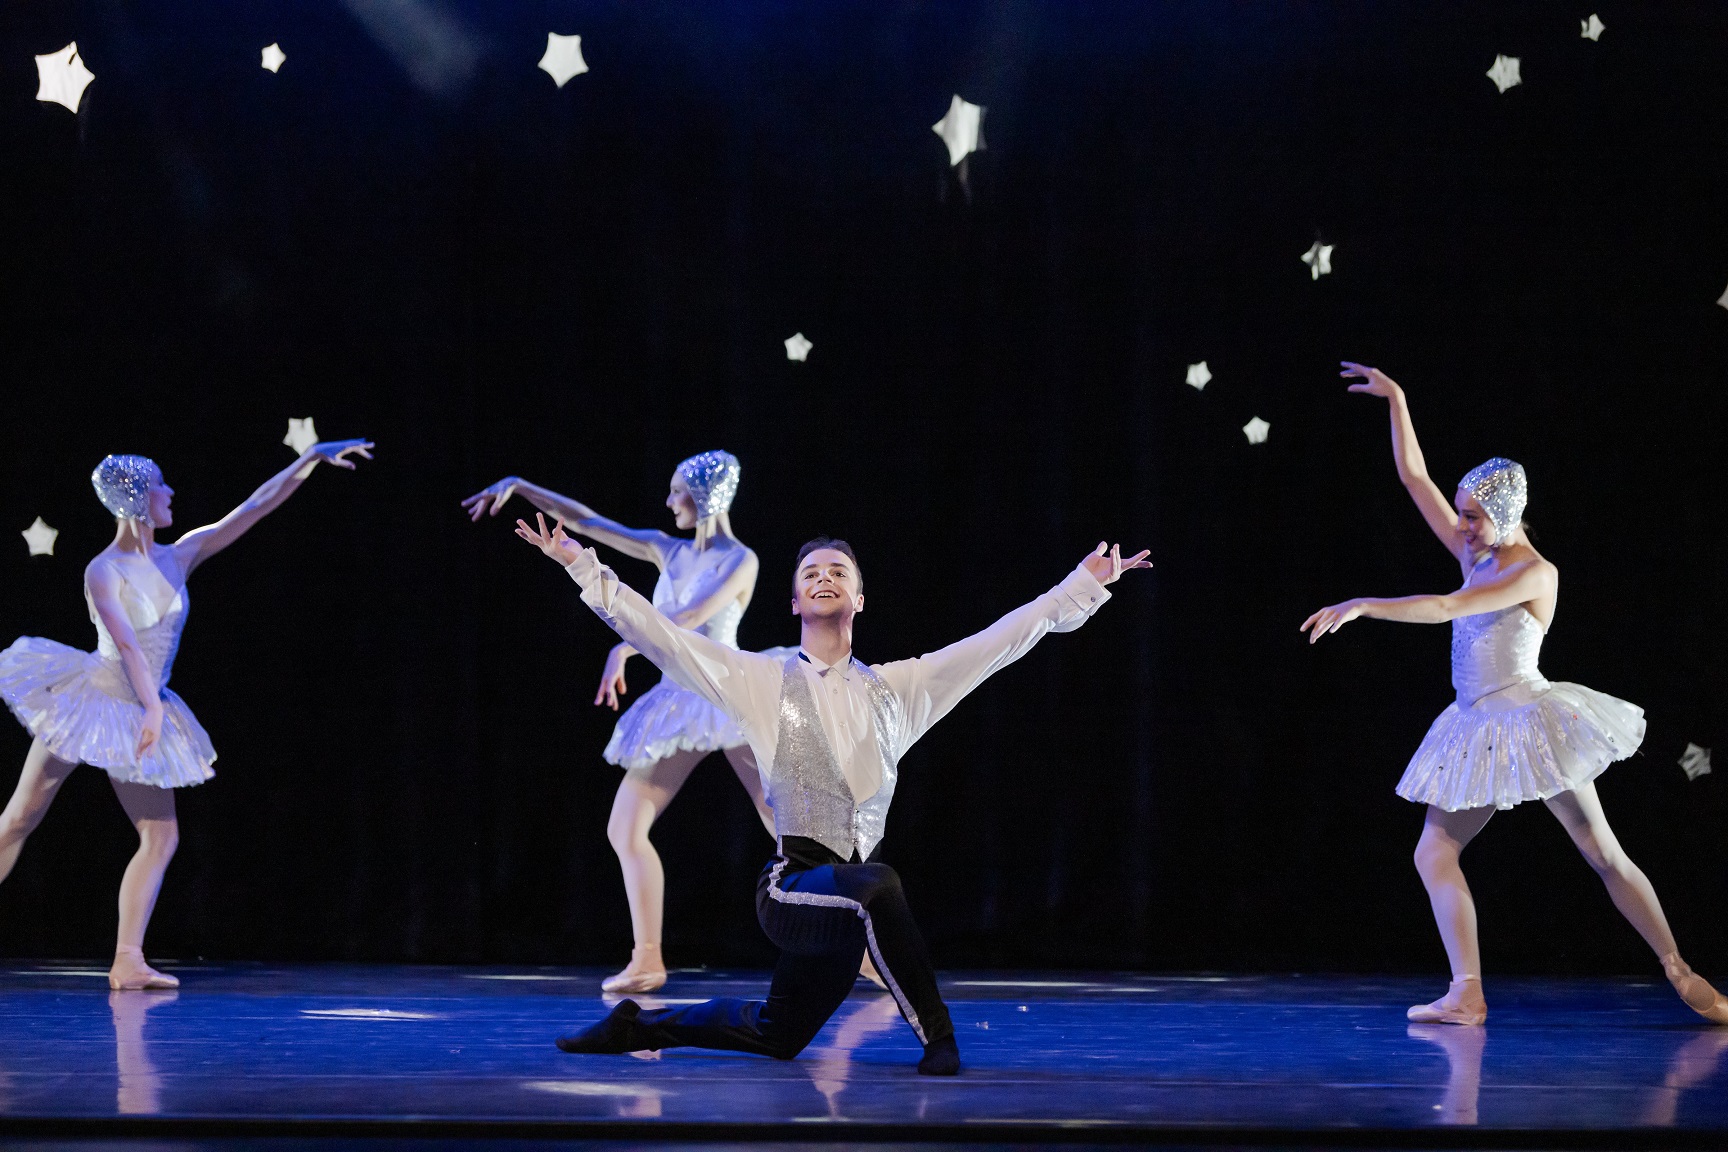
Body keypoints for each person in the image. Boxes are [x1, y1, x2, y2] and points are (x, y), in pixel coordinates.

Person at [516, 514, 1149, 1074]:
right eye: (812, 572)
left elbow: (995, 645)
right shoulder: (760, 680)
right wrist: (582, 565)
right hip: (789, 887)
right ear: (793, 601)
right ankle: (939, 1037)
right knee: (879, 884)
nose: (825, 577)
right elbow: (664, 638)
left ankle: (637, 1026)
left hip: (847, 913)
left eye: (839, 571)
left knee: (775, 1035)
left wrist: (1079, 586)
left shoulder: (899, 692)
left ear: (860, 598)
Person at [1300, 362, 1726, 1026]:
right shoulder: (1480, 555)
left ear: (1503, 514)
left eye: (1473, 518)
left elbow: (1446, 606)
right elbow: (1416, 480)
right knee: (1433, 851)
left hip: (1530, 718)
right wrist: (1399, 401)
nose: (1462, 528)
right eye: (1463, 517)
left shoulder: (1533, 573)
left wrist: (1363, 605)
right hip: (1477, 721)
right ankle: (1466, 991)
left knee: (1602, 852)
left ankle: (1680, 970)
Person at [0, 439, 374, 990]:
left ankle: (128, 959)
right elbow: (126, 645)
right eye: (159, 486)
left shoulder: (181, 554)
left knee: (160, 836)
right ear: (136, 500)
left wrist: (310, 457)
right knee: (19, 818)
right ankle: (126, 958)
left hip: (140, 710)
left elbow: (254, 506)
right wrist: (153, 709)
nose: (170, 492)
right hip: (93, 702)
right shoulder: (103, 570)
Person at [462, 453, 781, 994]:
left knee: (785, 825)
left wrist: (626, 647)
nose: (667, 501)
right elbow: (588, 524)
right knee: (625, 829)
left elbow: (688, 620)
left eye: (677, 490)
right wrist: (521, 484)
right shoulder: (667, 549)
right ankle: (648, 959)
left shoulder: (740, 560)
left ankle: (861, 942)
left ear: (703, 496)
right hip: (680, 697)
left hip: (727, 688)